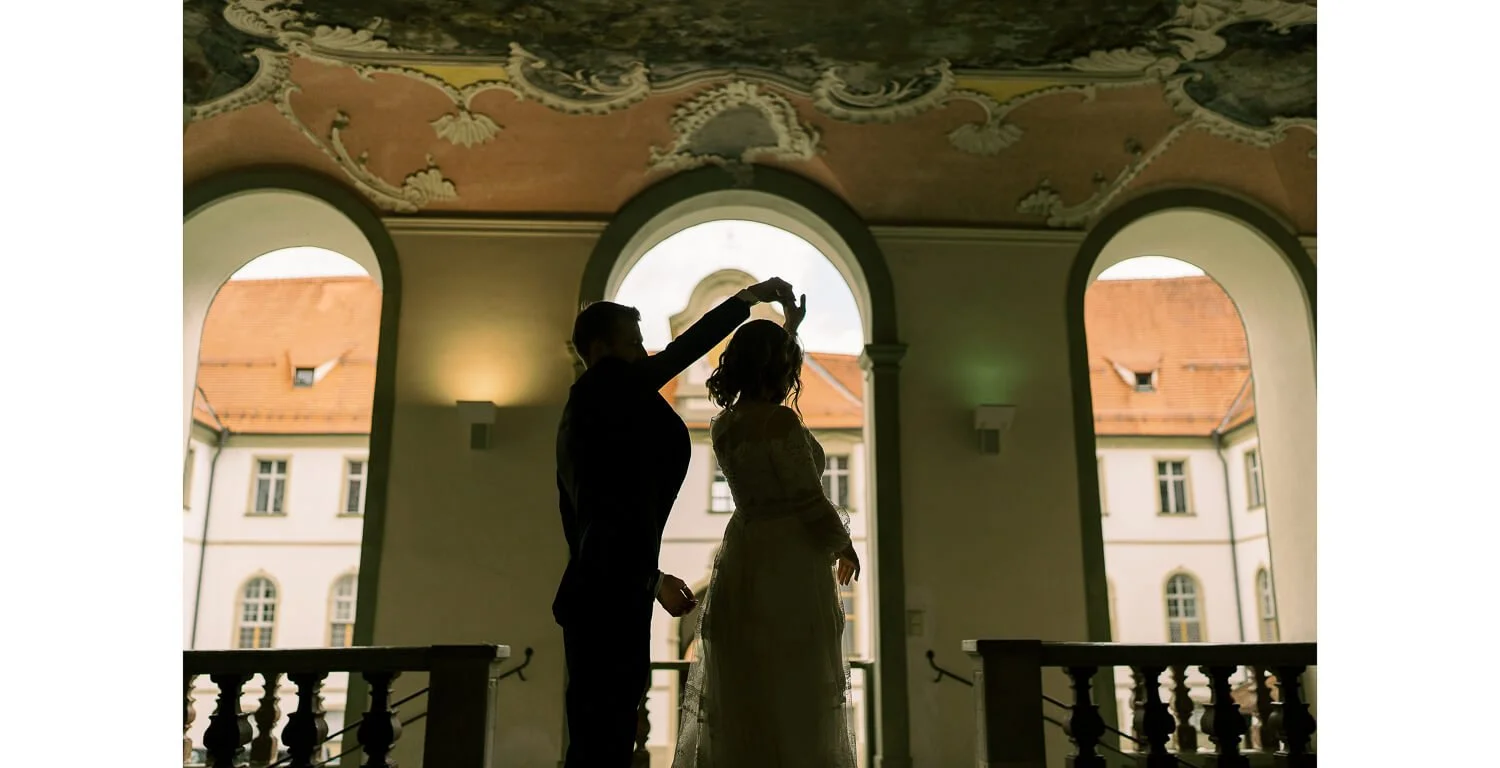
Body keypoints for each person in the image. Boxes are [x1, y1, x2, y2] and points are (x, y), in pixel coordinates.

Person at [555, 276, 798, 768]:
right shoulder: (608, 386)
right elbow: (600, 526)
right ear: (600, 349)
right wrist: (747, 301)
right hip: (610, 590)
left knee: (601, 731)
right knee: (606, 731)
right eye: (634, 343)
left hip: (601, 589)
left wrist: (650, 576)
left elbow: (596, 518)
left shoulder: (594, 402)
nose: (645, 354)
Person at [672, 295, 861, 768]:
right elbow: (806, 497)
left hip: (746, 551)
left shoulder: (724, 426)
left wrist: (788, 329)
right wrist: (845, 545)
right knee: (794, 680)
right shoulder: (780, 421)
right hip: (789, 558)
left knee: (750, 677)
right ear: (781, 369)